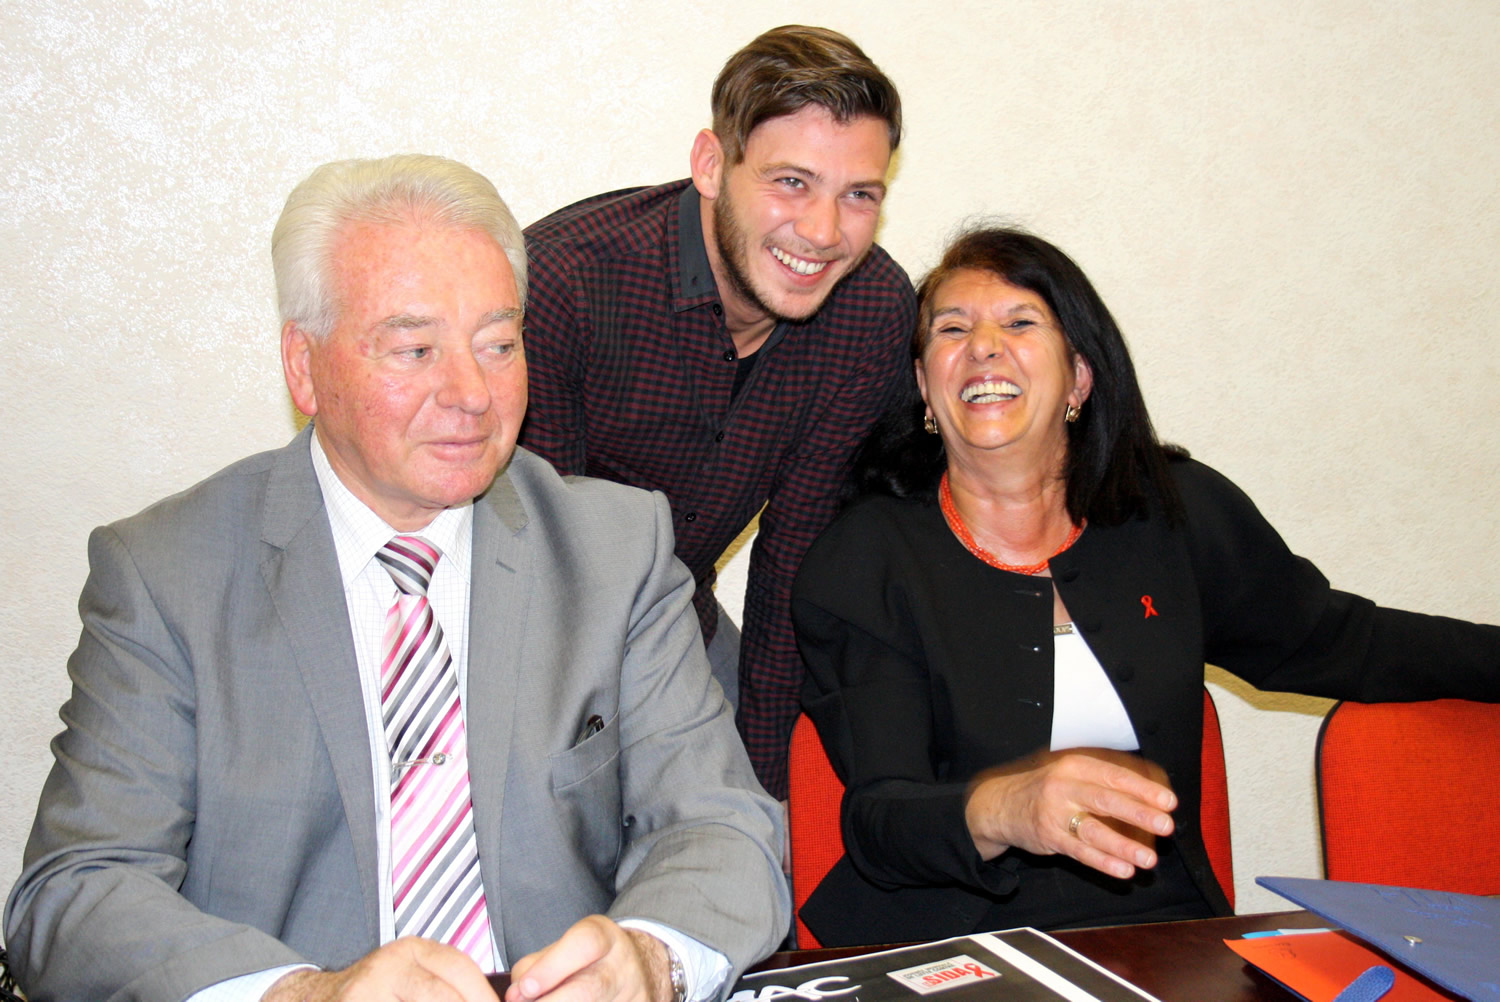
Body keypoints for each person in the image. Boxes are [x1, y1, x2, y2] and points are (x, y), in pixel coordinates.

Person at [4, 154, 788, 1002]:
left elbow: (724, 828)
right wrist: (302, 996)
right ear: (304, 366)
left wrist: (652, 960)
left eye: (499, 345)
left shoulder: (614, 550)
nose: (472, 394)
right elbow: (77, 892)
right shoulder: (167, 575)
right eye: (415, 349)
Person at [791, 226, 1500, 946]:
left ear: (1080, 378)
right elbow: (881, 820)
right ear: (923, 386)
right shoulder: (864, 559)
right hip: (953, 948)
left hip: (1167, 936)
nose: (984, 347)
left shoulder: (1174, 513)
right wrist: (1008, 806)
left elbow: (1346, 642)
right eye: (952, 329)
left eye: (1020, 322)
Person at [519, 25, 916, 800]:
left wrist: (764, 800)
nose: (823, 232)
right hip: (529, 634)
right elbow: (542, 570)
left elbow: (793, 561)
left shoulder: (870, 310)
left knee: (765, 831)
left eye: (859, 195)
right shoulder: (568, 283)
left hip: (679, 618)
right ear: (710, 164)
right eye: (791, 182)